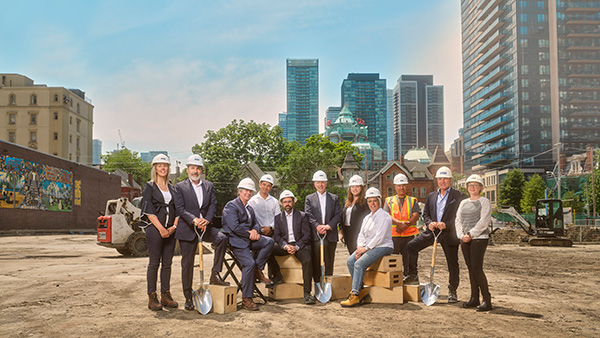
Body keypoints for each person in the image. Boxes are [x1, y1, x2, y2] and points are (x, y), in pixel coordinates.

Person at [173, 154, 229, 312]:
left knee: (222, 238)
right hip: (188, 228)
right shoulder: (180, 187)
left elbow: (213, 205)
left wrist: (206, 220)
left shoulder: (209, 186)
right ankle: (188, 297)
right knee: (187, 264)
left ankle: (215, 274)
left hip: (205, 227)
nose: (195, 171)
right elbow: (180, 208)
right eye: (193, 168)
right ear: (188, 169)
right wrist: (194, 220)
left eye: (198, 168)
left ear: (201, 170)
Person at [404, 166, 465, 303]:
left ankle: (452, 290)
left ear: (450, 179)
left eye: (445, 178)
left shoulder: (459, 196)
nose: (442, 181)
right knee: (411, 246)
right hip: (432, 232)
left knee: (452, 263)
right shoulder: (431, 196)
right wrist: (429, 222)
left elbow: (460, 216)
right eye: (440, 179)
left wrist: (447, 225)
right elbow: (425, 214)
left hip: (448, 233)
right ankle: (413, 275)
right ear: (437, 180)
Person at [222, 178, 274, 311]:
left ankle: (258, 269)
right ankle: (246, 298)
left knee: (269, 242)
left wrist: (256, 231)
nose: (248, 193)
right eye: (245, 190)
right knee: (248, 263)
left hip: (249, 239)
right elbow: (234, 227)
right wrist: (249, 233)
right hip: (236, 241)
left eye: (250, 191)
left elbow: (255, 223)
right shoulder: (231, 206)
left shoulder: (249, 208)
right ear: (239, 191)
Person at [341, 187, 394, 307]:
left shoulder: (384, 217)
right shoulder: (367, 218)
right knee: (350, 261)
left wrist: (366, 248)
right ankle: (362, 291)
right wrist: (360, 247)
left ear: (379, 201)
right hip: (368, 247)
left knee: (359, 264)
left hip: (383, 246)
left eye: (374, 201)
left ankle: (354, 295)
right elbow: (361, 234)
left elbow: (379, 237)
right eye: (369, 201)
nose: (372, 204)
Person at [141, 154, 179, 311]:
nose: (163, 168)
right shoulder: (149, 187)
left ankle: (166, 294)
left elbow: (178, 210)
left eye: (165, 165)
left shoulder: (173, 188)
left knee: (168, 263)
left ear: (168, 168)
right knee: (154, 263)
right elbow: (149, 210)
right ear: (155, 168)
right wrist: (161, 229)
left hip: (171, 230)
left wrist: (174, 227)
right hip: (155, 229)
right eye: (159, 165)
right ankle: (152, 296)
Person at [456, 174, 492, 312]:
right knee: (471, 269)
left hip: (479, 239)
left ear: (480, 188)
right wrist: (461, 235)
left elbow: (483, 221)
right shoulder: (463, 203)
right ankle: (474, 298)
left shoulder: (484, 201)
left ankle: (487, 300)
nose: (472, 187)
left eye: (475, 185)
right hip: (465, 239)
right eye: (470, 185)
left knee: (477, 268)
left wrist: (470, 234)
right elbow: (457, 220)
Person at [272, 190, 315, 305]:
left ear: (293, 202)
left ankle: (307, 293)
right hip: (285, 245)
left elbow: (307, 235)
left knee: (307, 260)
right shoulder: (278, 218)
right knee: (268, 249)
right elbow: (277, 236)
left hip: (299, 245)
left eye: (289, 201)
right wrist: (286, 246)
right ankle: (277, 277)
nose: (287, 204)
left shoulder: (302, 216)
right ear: (281, 203)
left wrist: (296, 247)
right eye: (285, 202)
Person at [305, 170, 341, 282]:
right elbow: (308, 214)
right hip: (316, 237)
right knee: (316, 263)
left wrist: (328, 226)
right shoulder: (309, 199)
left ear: (326, 183)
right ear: (314, 184)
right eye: (318, 182)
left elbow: (338, 215)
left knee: (329, 263)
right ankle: (317, 286)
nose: (320, 185)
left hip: (330, 236)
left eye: (323, 182)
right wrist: (318, 226)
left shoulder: (334, 198)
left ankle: (328, 286)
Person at [383, 173, 421, 277]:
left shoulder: (412, 200)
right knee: (394, 261)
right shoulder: (388, 200)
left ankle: (410, 278)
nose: (401, 187)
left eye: (403, 185)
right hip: (394, 236)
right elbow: (387, 216)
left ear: (407, 186)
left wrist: (405, 225)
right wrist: (400, 224)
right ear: (395, 187)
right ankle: (395, 280)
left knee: (410, 260)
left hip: (409, 236)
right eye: (399, 185)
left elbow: (416, 216)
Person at [247, 174, 282, 284]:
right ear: (259, 185)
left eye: (268, 186)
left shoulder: (275, 202)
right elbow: (251, 219)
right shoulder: (252, 201)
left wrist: (270, 228)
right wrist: (260, 230)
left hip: (272, 231)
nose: (265, 187)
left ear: (271, 188)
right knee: (257, 252)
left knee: (272, 248)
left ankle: (272, 276)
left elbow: (278, 219)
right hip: (257, 232)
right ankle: (255, 277)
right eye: (264, 185)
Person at [340, 175, 370, 254]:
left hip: (359, 233)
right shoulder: (346, 202)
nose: (354, 189)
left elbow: (368, 219)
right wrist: (341, 232)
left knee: (358, 256)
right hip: (348, 233)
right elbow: (342, 217)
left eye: (357, 186)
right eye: (352, 187)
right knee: (352, 256)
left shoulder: (365, 202)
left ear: (361, 188)